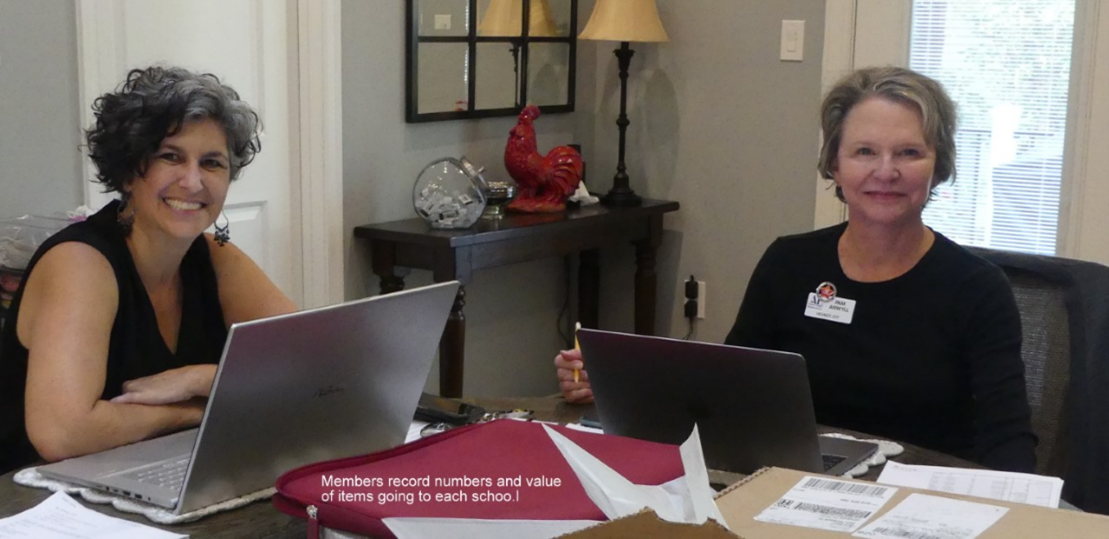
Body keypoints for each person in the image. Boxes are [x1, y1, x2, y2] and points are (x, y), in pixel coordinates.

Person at [554, 66, 1037, 472]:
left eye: (909, 153)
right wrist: (614, 388)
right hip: (790, 487)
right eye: (864, 151)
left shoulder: (976, 289)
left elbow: (1008, 444)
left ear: (939, 165)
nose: (885, 171)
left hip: (916, 501)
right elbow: (723, 394)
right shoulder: (791, 263)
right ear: (835, 165)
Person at [0, 66, 297, 472]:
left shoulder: (214, 256)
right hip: (36, 502)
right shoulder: (80, 263)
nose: (192, 182)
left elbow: (311, 366)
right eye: (170, 157)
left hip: (150, 473)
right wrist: (195, 410)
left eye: (212, 163)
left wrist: (200, 380)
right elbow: (62, 433)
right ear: (128, 171)